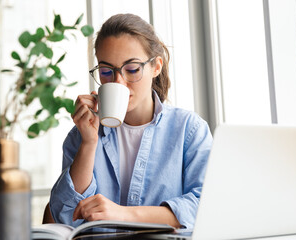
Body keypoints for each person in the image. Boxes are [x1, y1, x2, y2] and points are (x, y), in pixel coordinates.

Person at [49, 13, 213, 229]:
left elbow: (205, 207)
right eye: (106, 71)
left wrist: (123, 214)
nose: (119, 82)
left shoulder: (189, 129)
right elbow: (64, 215)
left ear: (156, 67)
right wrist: (88, 143)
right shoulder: (81, 134)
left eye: (132, 69)